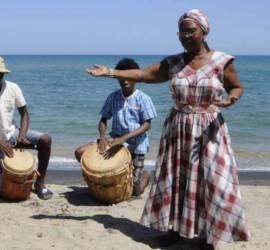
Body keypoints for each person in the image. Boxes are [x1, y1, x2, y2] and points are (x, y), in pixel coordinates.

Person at [87, 9, 250, 249]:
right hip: (179, 128)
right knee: (175, 179)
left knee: (215, 182)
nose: (185, 35)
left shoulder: (222, 61)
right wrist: (110, 72)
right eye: (181, 31)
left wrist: (232, 99)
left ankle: (209, 236)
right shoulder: (173, 63)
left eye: (190, 30)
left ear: (204, 31)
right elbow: (142, 74)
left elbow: (236, 87)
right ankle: (175, 230)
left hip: (210, 131)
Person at [0, 55, 54, 200]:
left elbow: (25, 113)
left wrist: (22, 134)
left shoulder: (13, 88)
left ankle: (39, 183)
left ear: (4, 74)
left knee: (45, 140)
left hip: (12, 135)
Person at [75, 58, 156, 198]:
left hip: (136, 145)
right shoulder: (113, 97)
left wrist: (123, 139)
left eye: (128, 77)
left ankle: (146, 175)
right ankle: (95, 184)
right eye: (121, 77)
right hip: (114, 140)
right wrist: (102, 138)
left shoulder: (144, 98)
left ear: (135, 78)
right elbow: (103, 119)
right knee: (80, 152)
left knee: (135, 192)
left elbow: (147, 125)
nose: (125, 81)